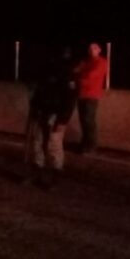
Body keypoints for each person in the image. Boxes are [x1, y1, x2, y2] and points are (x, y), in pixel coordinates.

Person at [25, 47, 76, 187]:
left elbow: (70, 99)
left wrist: (63, 119)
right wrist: (35, 107)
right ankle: (37, 174)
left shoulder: (66, 74)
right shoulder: (45, 71)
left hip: (55, 114)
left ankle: (55, 177)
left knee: (53, 145)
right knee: (37, 142)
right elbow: (38, 92)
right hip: (41, 111)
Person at [72, 42, 109, 154]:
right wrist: (81, 73)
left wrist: (80, 75)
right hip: (82, 94)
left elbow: (91, 75)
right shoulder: (86, 61)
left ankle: (91, 145)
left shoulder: (102, 62)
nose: (91, 50)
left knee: (89, 121)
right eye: (90, 48)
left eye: (94, 48)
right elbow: (75, 71)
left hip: (92, 95)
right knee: (84, 121)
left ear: (99, 50)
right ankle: (85, 144)